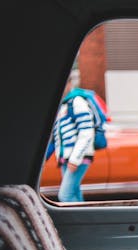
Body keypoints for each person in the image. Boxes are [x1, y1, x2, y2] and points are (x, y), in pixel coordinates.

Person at [49, 71, 97, 202]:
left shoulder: (77, 102)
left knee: (65, 195)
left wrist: (75, 159)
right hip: (67, 158)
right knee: (74, 193)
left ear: (69, 83)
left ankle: (80, 222)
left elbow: (87, 132)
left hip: (76, 158)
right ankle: (86, 221)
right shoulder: (64, 104)